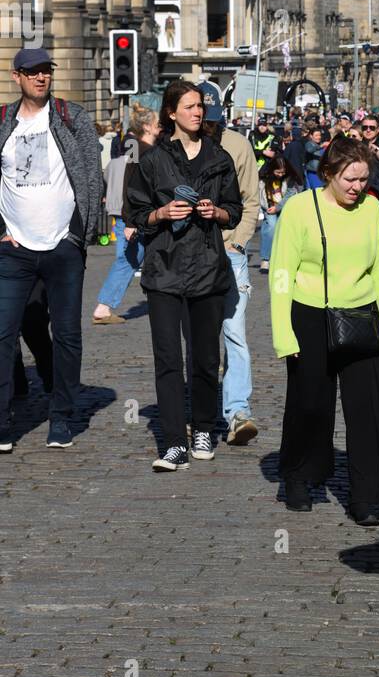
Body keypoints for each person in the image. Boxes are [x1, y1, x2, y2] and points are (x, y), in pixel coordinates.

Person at [270, 133, 379, 526]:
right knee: (310, 404)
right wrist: (283, 332)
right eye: (350, 180)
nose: (357, 188)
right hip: (310, 316)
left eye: (364, 180)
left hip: (361, 317)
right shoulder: (299, 209)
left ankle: (366, 495)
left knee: (368, 411)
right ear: (328, 172)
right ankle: (299, 477)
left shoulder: (372, 210)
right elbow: (281, 274)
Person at [125, 82, 242, 471]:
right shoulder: (152, 159)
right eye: (190, 106)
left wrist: (217, 214)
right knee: (168, 359)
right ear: (172, 113)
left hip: (208, 267)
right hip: (164, 270)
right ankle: (174, 442)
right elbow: (135, 215)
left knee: (206, 359)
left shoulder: (219, 157)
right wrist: (162, 214)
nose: (198, 112)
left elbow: (235, 210)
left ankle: (205, 427)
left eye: (201, 106)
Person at [0, 47, 101, 452]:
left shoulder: (71, 116)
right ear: (17, 77)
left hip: (62, 245)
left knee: (67, 334)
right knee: (3, 334)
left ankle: (61, 417)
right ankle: (3, 421)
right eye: (33, 72)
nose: (41, 78)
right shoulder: (3, 121)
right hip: (13, 250)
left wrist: (79, 234)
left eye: (46, 71)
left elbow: (92, 176)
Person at [200, 89, 263, 448]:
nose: (207, 125)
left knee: (235, 335)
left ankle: (238, 411)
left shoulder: (238, 145)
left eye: (213, 119)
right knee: (200, 338)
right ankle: (204, 414)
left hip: (230, 251)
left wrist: (238, 242)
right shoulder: (182, 146)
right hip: (192, 256)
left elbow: (251, 200)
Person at [92, 106, 161, 324]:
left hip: (133, 213)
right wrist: (130, 218)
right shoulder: (139, 148)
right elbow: (131, 184)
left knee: (137, 256)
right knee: (129, 259)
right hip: (133, 214)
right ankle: (103, 307)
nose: (160, 127)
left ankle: (159, 296)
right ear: (148, 126)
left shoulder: (140, 147)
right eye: (157, 123)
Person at [258, 153, 304, 272]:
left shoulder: (290, 178)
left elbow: (290, 195)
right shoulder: (263, 177)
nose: (280, 175)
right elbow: (261, 194)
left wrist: (278, 207)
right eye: (277, 172)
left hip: (286, 206)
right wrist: (269, 208)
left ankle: (285, 259)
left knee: (285, 231)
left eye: (282, 172)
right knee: (271, 227)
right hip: (268, 206)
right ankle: (266, 259)